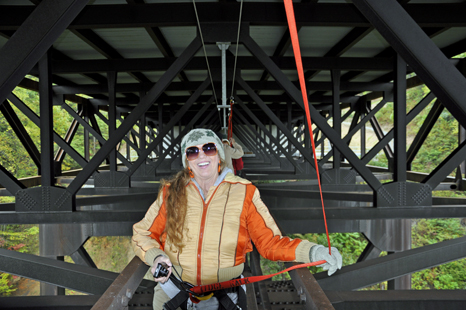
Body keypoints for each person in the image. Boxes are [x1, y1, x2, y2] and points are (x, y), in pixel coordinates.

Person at [132, 128, 342, 310]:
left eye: (209, 148)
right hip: (173, 294)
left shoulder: (245, 192)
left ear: (219, 156)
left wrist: (314, 251)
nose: (202, 156)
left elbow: (269, 243)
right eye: (193, 151)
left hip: (225, 297)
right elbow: (143, 234)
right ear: (187, 160)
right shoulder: (170, 193)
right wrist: (156, 257)